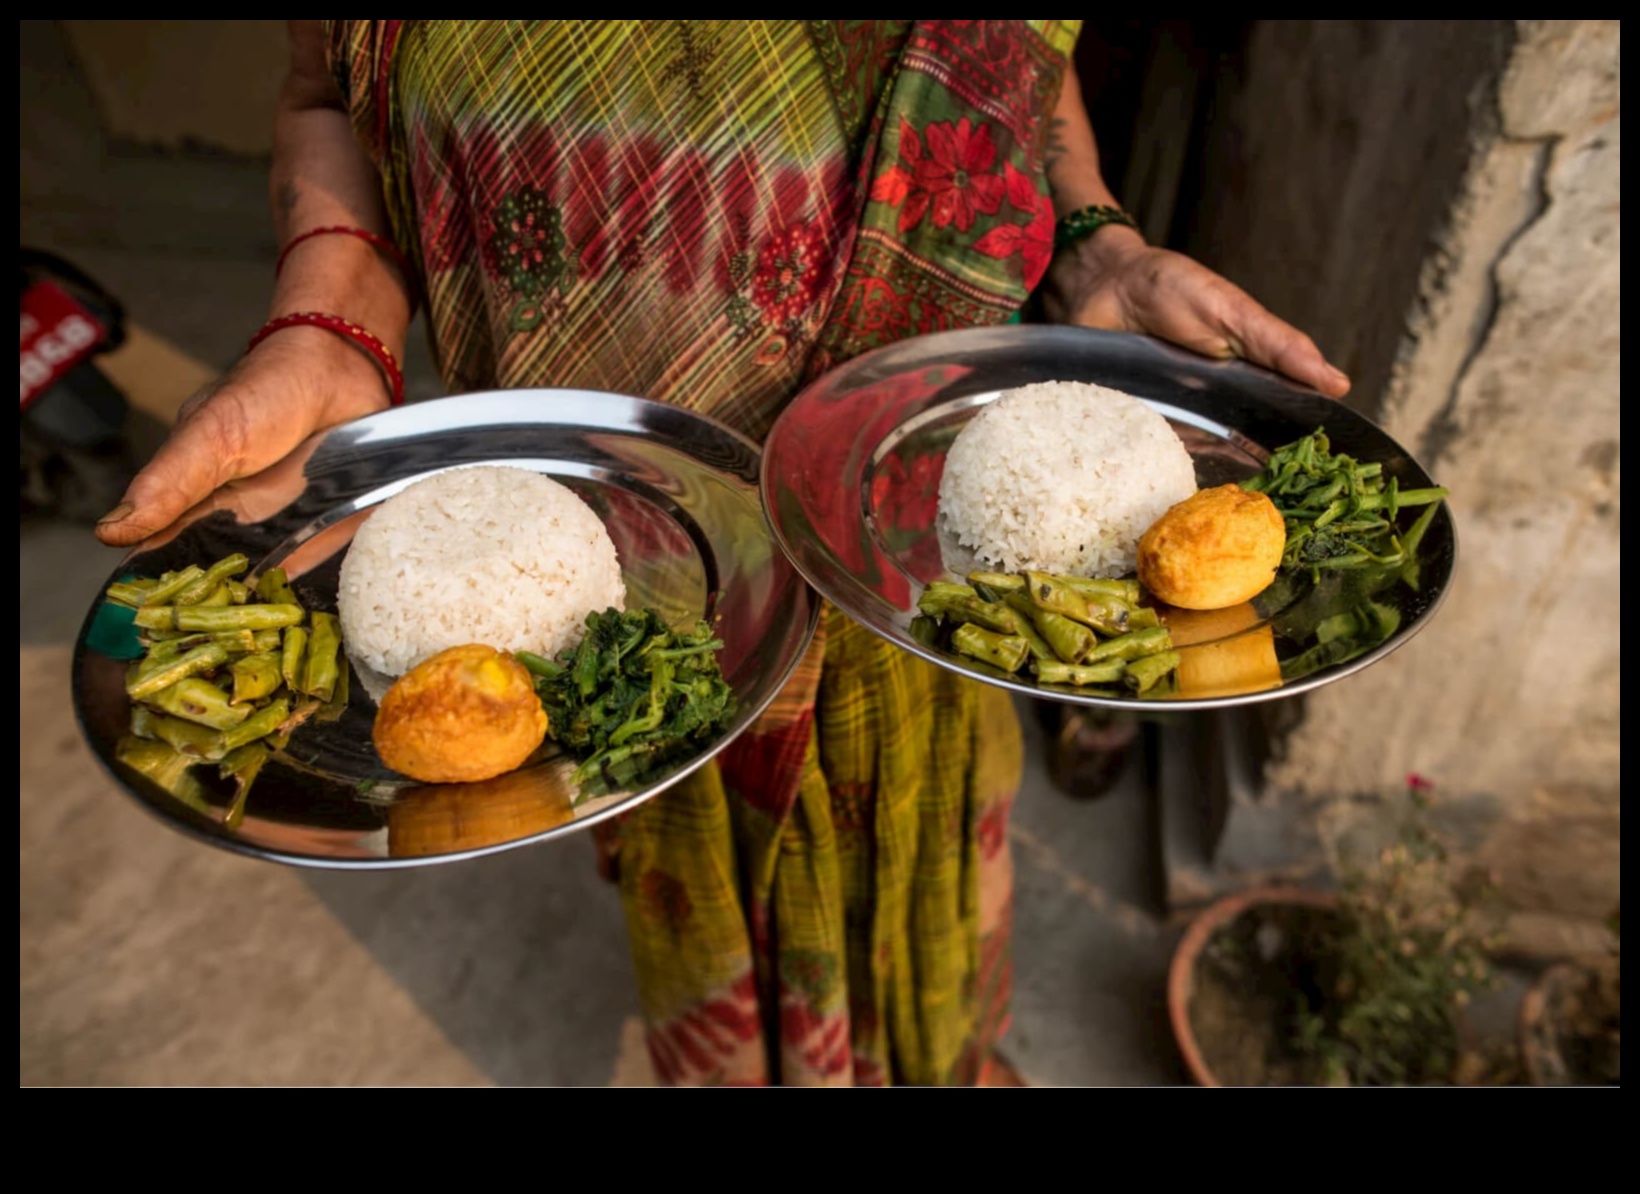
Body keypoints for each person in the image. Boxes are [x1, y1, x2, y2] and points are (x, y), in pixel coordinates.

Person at [96, 20, 1349, 1086]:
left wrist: (1095, 241)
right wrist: (331, 319)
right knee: (686, 879)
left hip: (928, 536)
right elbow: (332, 83)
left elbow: (1016, 56)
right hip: (607, 576)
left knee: (930, 856)